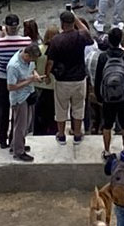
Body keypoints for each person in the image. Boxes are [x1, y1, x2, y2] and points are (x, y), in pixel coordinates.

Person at [45, 10, 94, 146]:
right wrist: (77, 18)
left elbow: (50, 61)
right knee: (78, 107)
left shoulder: (56, 40)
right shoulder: (81, 36)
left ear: (62, 23)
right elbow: (88, 34)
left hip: (62, 80)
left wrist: (47, 75)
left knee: (61, 108)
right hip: (79, 78)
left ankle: (61, 135)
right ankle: (77, 134)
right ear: (74, 23)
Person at [94, 27, 124, 159]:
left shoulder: (103, 57)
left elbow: (98, 79)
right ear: (120, 40)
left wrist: (99, 96)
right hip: (123, 97)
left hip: (107, 98)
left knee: (107, 125)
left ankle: (106, 151)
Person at [0, 14, 32, 149]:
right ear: (18, 27)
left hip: (2, 78)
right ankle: (14, 139)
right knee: (18, 112)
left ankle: (2, 138)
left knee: (3, 110)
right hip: (19, 80)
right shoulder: (26, 42)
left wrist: (3, 34)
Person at [7, 43, 43, 162]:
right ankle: (19, 151)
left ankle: (17, 144)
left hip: (29, 94)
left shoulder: (29, 60)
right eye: (32, 58)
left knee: (26, 124)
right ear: (26, 55)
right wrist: (29, 81)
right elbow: (11, 86)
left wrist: (35, 76)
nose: (32, 61)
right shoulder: (14, 66)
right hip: (19, 98)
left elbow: (33, 69)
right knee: (20, 126)